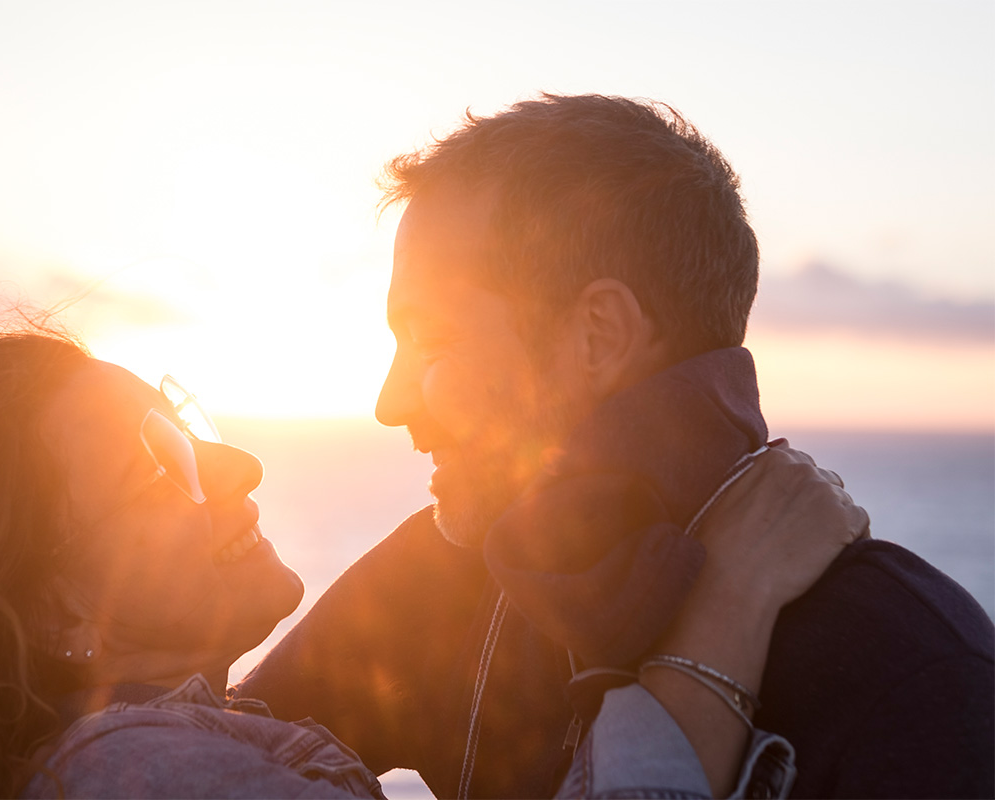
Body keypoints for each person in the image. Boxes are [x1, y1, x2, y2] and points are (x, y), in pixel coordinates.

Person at [235, 94, 995, 798]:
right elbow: (200, 760)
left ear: (599, 335)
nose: (389, 404)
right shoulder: (436, 588)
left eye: (431, 341)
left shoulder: (912, 672)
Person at [0, 328, 862, 798]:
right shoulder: (130, 771)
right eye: (158, 464)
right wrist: (732, 599)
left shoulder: (125, 745)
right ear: (51, 605)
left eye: (180, 418)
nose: (233, 459)